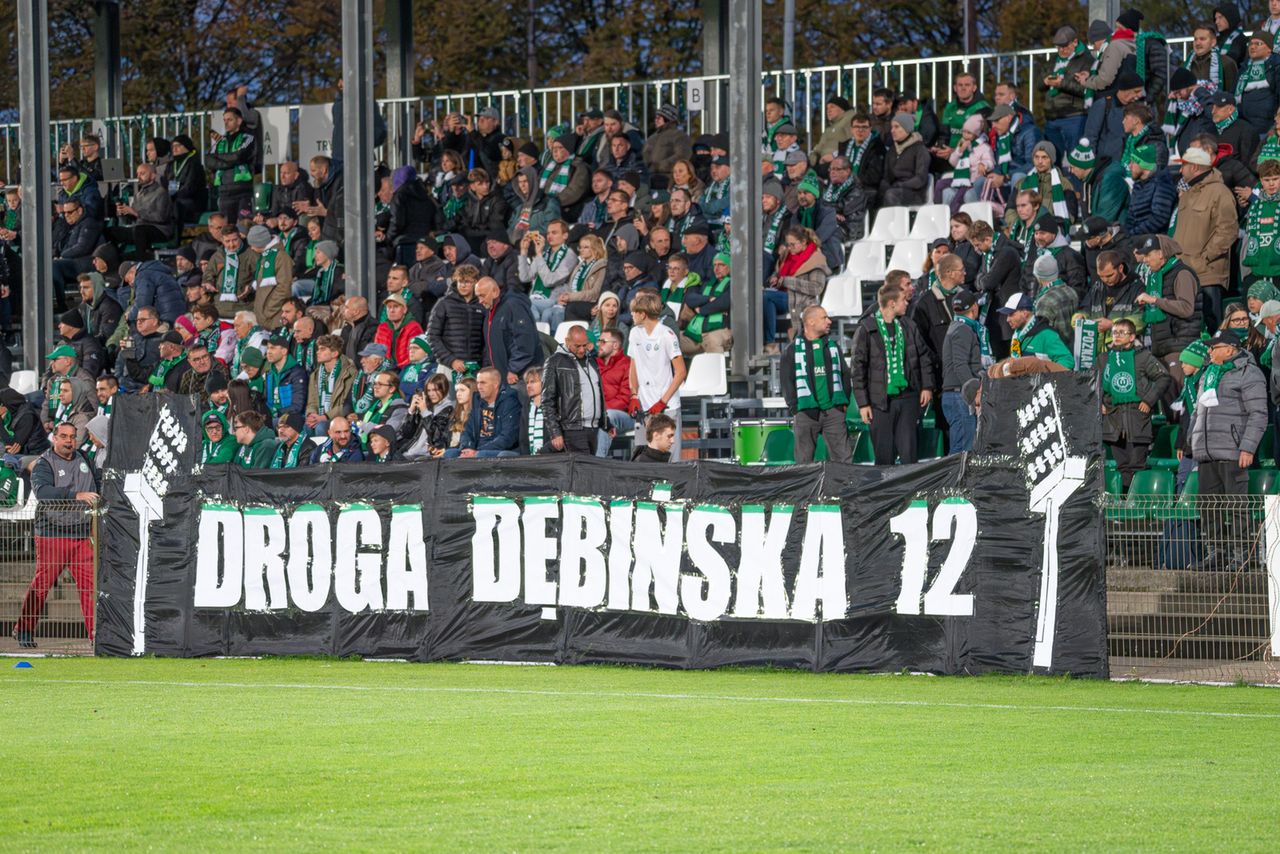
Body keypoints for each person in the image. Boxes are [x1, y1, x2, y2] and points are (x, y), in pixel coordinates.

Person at [11, 422, 99, 649]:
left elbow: (99, 485)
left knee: (90, 588)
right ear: (54, 438)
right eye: (64, 436)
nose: (69, 441)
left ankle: (95, 636)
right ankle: (24, 629)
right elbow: (42, 492)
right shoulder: (43, 463)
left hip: (81, 533)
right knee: (42, 585)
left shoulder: (85, 459)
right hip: (52, 533)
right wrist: (75, 495)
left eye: (72, 436)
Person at [1190, 332, 1268, 568]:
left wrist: (1247, 447)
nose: (1210, 351)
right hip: (1206, 453)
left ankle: (1240, 554)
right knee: (1208, 506)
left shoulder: (1248, 373)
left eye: (1215, 347)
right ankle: (1215, 553)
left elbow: (1258, 413)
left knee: (1236, 506)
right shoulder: (1208, 373)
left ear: (1231, 349)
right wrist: (1190, 442)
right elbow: (1198, 412)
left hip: (1234, 452)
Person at [851, 279, 937, 465]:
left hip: (908, 398)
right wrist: (863, 403)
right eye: (903, 300)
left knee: (909, 452)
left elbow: (923, 357)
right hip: (879, 401)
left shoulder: (908, 325)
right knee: (884, 454)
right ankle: (885, 493)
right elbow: (858, 369)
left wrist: (927, 386)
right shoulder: (867, 329)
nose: (907, 303)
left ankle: (911, 491)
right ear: (892, 303)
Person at [1100, 318, 1170, 490]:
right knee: (1122, 466)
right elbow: (1094, 383)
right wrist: (1100, 402)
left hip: (1137, 419)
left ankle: (1138, 505)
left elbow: (1163, 377)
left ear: (1132, 337)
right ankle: (1124, 506)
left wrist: (1149, 399)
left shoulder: (1143, 357)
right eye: (1114, 332)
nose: (1116, 336)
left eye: (1122, 332)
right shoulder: (1103, 358)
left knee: (1136, 465)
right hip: (1113, 418)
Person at [781, 305, 852, 463]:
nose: (829, 321)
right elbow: (787, 382)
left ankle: (847, 488)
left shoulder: (833, 347)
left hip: (833, 411)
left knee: (844, 460)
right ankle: (806, 489)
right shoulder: (791, 350)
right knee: (803, 463)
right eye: (824, 318)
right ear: (811, 322)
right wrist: (795, 408)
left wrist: (843, 404)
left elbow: (845, 375)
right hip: (806, 413)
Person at [628, 289, 687, 459]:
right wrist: (633, 394)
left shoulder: (666, 334)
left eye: (635, 311)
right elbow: (634, 365)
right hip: (644, 407)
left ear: (643, 314)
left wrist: (663, 401)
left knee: (669, 458)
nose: (631, 315)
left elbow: (681, 372)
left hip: (666, 407)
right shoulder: (634, 333)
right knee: (641, 457)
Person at [540, 326, 607, 454]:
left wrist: (606, 423)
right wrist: (555, 432)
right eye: (577, 346)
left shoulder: (592, 361)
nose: (582, 350)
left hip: (593, 428)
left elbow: (597, 393)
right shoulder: (555, 362)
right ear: (567, 341)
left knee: (587, 468)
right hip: (573, 429)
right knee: (583, 469)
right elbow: (547, 400)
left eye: (584, 345)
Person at [940, 290, 991, 453]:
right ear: (974, 307)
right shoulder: (962, 329)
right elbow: (960, 364)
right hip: (959, 396)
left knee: (962, 445)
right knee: (962, 448)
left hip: (956, 394)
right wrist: (974, 392)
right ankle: (953, 479)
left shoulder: (957, 327)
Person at [475, 276, 543, 387]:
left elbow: (526, 341)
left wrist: (513, 369)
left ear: (495, 291)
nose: (480, 301)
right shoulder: (491, 311)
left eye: (482, 296)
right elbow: (490, 347)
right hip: (503, 377)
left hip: (520, 378)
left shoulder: (514, 305)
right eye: (478, 297)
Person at [1041, 25, 1093, 163]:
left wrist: (1061, 84)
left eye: (1064, 46)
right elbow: (1038, 83)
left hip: (1074, 116)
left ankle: (1075, 186)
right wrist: (1045, 82)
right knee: (1051, 161)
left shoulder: (1086, 60)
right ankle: (1055, 185)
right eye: (1058, 47)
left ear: (1075, 42)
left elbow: (1085, 89)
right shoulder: (1053, 59)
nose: (1061, 50)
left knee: (1075, 160)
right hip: (1051, 116)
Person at [427, 264, 485, 382]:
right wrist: (451, 360)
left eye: (467, 282)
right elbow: (432, 336)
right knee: (447, 400)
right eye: (460, 281)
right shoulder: (443, 303)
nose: (463, 285)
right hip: (448, 367)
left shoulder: (482, 304)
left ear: (475, 282)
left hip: (475, 368)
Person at [447, 366, 521, 458]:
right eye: (478, 383)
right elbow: (467, 431)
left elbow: (508, 437)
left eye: (483, 383)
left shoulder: (509, 402)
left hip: (498, 451)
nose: (479, 387)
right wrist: (467, 448)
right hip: (477, 450)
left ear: (495, 384)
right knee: (449, 454)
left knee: (481, 455)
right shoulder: (477, 402)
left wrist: (478, 451)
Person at [108, 162, 174, 260]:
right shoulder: (139, 194)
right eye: (137, 174)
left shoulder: (161, 193)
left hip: (159, 229)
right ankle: (116, 259)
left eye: (142, 174)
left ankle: (141, 260)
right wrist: (124, 212)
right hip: (139, 228)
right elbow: (133, 218)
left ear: (153, 175)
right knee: (110, 231)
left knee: (140, 230)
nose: (138, 176)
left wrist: (136, 213)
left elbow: (161, 217)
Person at [519, 220, 577, 327]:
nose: (550, 236)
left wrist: (539, 254)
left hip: (553, 300)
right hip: (535, 299)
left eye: (554, 233)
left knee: (523, 303)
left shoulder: (570, 256)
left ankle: (536, 329)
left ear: (565, 235)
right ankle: (536, 328)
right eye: (548, 233)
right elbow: (525, 277)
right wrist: (523, 251)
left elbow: (549, 281)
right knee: (527, 305)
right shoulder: (545, 254)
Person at [998, 292, 1074, 369]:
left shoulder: (1046, 335)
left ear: (1025, 313)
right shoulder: (1017, 335)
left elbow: (1068, 361)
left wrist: (1045, 375)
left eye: (1011, 314)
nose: (1007, 319)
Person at [206, 107, 257, 221]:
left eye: (230, 120)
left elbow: (237, 156)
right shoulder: (221, 141)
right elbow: (209, 161)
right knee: (227, 229)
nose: (226, 123)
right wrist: (230, 160)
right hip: (224, 192)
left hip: (243, 191)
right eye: (224, 120)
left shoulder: (248, 137)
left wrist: (219, 159)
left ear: (239, 121)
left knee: (244, 226)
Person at [680, 251, 732, 356]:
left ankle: (716, 372)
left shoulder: (733, 283)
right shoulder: (708, 284)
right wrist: (709, 298)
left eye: (721, 265)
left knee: (713, 339)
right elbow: (690, 298)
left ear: (730, 267)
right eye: (715, 265)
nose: (716, 269)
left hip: (720, 330)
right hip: (697, 333)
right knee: (670, 338)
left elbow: (724, 303)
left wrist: (701, 309)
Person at [595, 328, 633, 457]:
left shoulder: (628, 364)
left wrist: (600, 411)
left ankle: (598, 463)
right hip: (598, 413)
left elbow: (625, 400)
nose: (598, 344)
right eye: (598, 341)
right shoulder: (594, 364)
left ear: (615, 345)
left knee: (608, 417)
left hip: (624, 415)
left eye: (602, 342)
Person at [1123, 143, 1177, 237]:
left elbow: (1159, 218)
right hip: (1136, 237)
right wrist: (1125, 234)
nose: (1129, 166)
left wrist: (1132, 234)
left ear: (1143, 164)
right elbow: (1131, 215)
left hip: (1153, 240)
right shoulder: (1139, 184)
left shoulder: (1162, 184)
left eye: (1133, 162)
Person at [880, 113, 931, 206]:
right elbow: (886, 176)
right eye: (892, 127)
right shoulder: (892, 150)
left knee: (891, 195)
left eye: (897, 127)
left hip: (914, 192)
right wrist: (884, 186)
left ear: (907, 128)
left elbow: (920, 179)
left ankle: (895, 221)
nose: (892, 131)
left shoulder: (919, 149)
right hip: (894, 189)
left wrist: (901, 185)